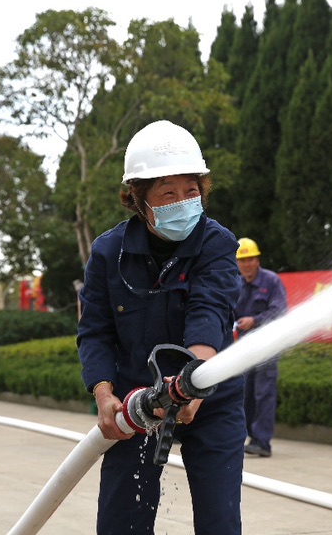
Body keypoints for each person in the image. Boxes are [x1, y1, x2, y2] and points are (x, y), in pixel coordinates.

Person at [77, 120, 246, 534]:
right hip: (136, 399)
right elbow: (95, 330)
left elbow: (210, 310)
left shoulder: (217, 243)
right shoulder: (108, 253)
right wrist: (104, 394)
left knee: (219, 519)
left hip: (211, 396)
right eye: (167, 193)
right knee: (122, 520)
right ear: (138, 200)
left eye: (191, 191)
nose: (182, 201)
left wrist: (195, 381)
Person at [234, 237, 288, 458]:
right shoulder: (235, 283)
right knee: (244, 392)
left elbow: (279, 311)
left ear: (258, 260)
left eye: (250, 259)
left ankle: (262, 442)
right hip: (245, 348)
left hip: (267, 347)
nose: (247, 264)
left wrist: (255, 320)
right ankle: (242, 437)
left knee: (263, 393)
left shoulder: (271, 281)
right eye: (242, 260)